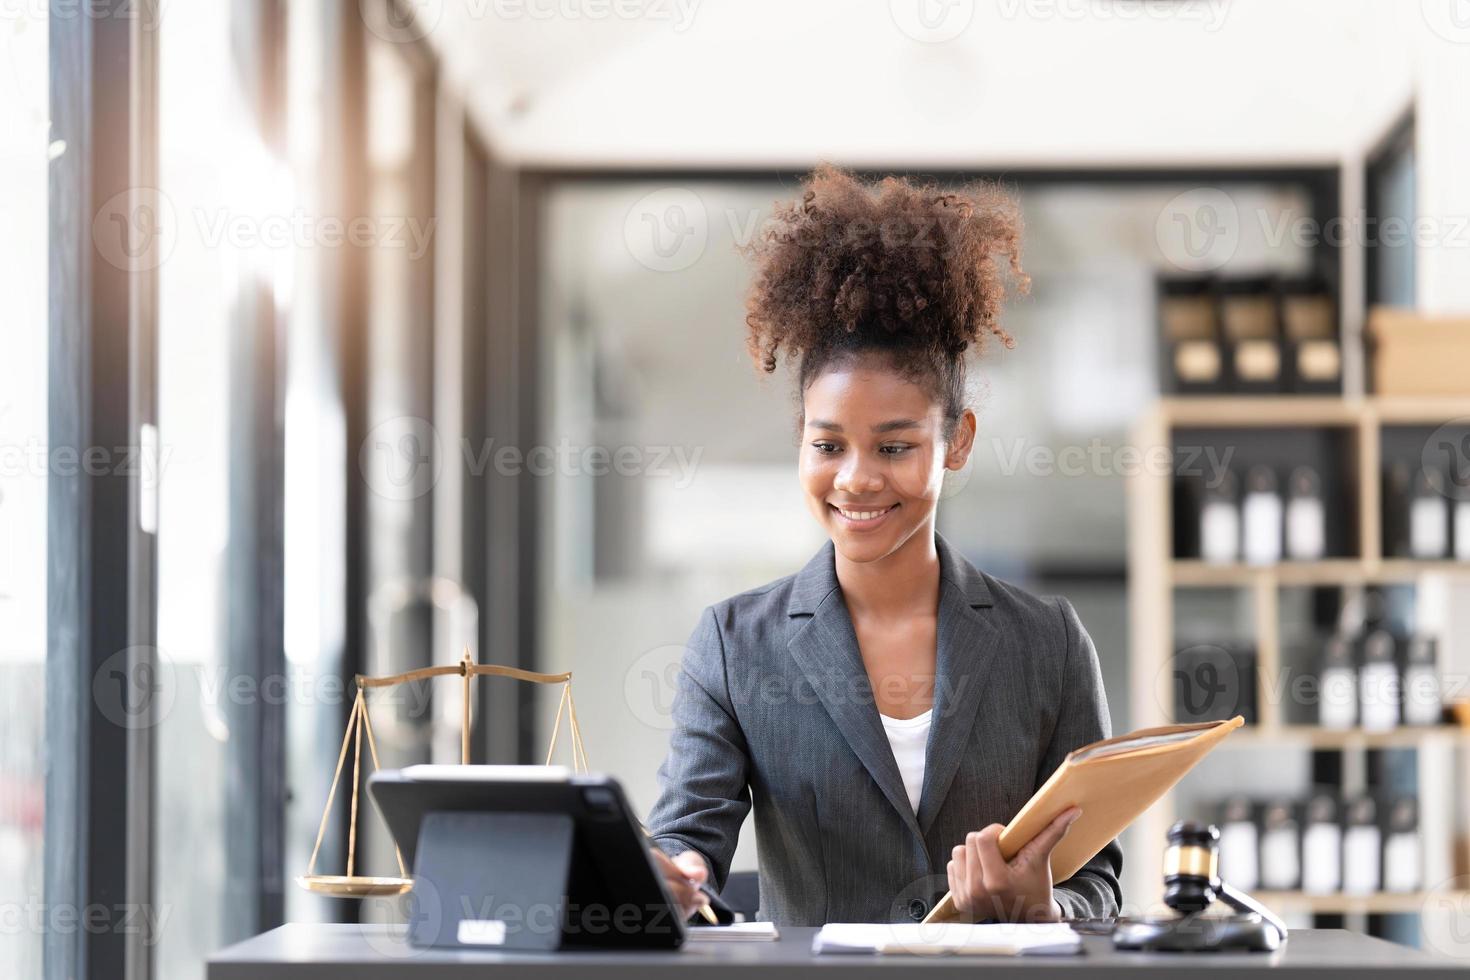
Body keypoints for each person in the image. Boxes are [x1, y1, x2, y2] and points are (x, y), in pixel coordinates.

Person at [647, 165, 1122, 926]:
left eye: (895, 448)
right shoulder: (735, 645)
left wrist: (1044, 906)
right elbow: (686, 836)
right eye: (828, 445)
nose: (857, 481)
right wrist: (676, 873)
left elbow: (1097, 881)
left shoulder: (1049, 644)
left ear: (956, 441)